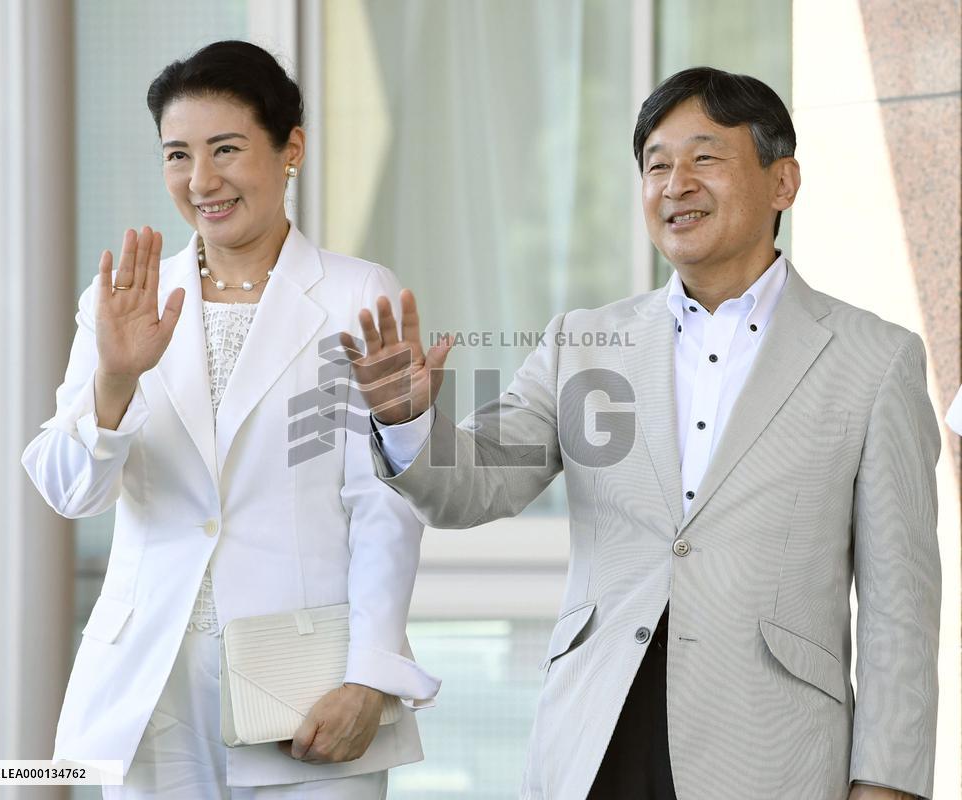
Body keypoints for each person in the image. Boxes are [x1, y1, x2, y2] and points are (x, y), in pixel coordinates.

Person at [343, 68, 941, 800]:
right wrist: (406, 421)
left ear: (782, 183)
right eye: (656, 164)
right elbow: (479, 481)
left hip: (773, 754)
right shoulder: (585, 342)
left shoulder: (875, 359)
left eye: (704, 158)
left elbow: (899, 608)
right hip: (599, 737)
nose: (674, 183)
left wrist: (887, 783)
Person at [22, 40, 439, 799]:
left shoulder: (354, 293)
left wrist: (370, 677)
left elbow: (382, 506)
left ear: (291, 150)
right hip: (154, 682)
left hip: (303, 683)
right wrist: (115, 380)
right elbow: (67, 490)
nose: (201, 180)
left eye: (226, 149)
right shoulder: (122, 300)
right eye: (177, 154)